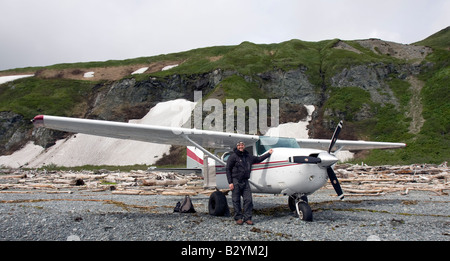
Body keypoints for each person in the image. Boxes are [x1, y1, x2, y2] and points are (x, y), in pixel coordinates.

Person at [226, 141, 273, 225]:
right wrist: (230, 182)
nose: (241, 146)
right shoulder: (233, 157)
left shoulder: (248, 156)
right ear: (237, 147)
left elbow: (259, 159)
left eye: (242, 145)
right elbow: (228, 169)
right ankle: (238, 218)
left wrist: (268, 154)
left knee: (248, 200)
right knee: (236, 200)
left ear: (244, 146)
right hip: (236, 180)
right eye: (239, 145)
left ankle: (247, 218)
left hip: (245, 181)